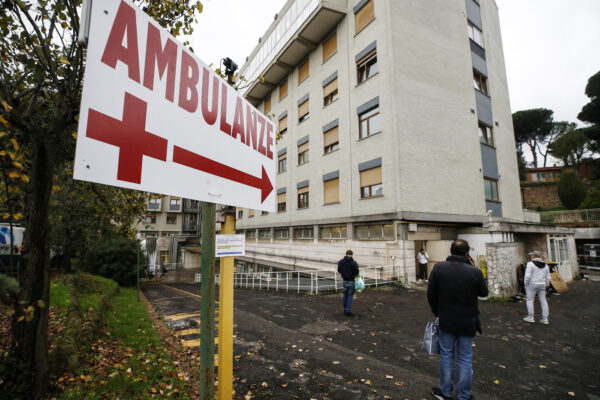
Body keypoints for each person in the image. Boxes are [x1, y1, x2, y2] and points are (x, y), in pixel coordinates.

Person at [427, 239, 488, 400]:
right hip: (467, 322)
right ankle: (463, 395)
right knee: (465, 358)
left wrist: (437, 312)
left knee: (446, 356)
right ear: (467, 253)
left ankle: (445, 392)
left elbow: (431, 294)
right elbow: (483, 292)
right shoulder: (473, 272)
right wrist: (474, 268)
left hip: (446, 320)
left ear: (451, 251)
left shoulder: (439, 268)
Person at [523, 251, 550, 324]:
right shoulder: (545, 265)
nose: (531, 256)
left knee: (530, 300)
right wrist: (546, 284)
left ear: (534, 256)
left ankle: (531, 317)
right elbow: (548, 277)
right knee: (543, 301)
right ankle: (545, 318)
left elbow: (527, 275)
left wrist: (525, 284)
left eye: (532, 255)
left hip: (532, 284)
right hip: (542, 284)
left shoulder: (530, 264)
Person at [337, 249, 359, 316]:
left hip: (344, 281)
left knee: (345, 295)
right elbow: (357, 273)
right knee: (350, 296)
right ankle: (348, 311)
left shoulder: (341, 261)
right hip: (351, 281)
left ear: (346, 254)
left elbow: (339, 270)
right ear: (352, 254)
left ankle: (344, 310)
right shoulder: (354, 262)